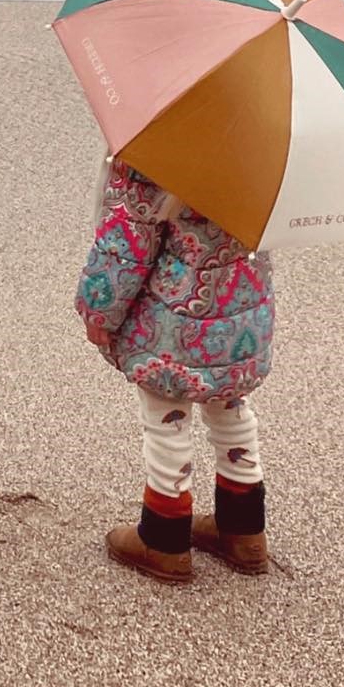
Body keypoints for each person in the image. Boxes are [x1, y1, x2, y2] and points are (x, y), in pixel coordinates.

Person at [76, 159, 274, 583]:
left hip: (174, 319)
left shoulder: (160, 148)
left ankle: (164, 534)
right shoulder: (264, 147)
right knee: (230, 405)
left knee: (166, 415)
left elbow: (127, 244)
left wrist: (99, 308)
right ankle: (244, 529)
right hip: (241, 308)